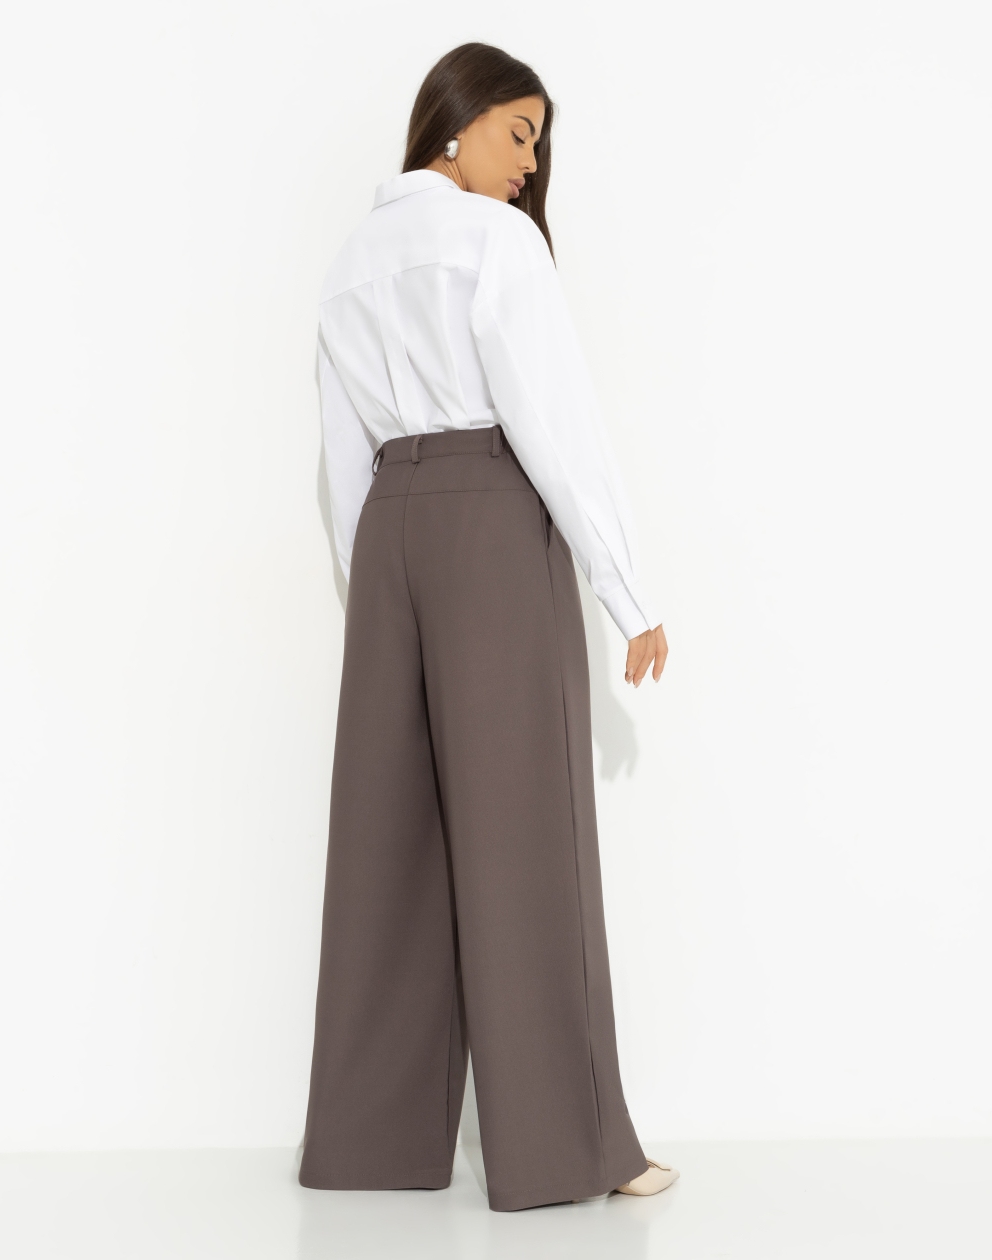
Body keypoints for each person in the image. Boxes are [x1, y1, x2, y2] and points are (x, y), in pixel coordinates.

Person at [298, 42, 677, 1212]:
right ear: (452, 124)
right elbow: (549, 419)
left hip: (392, 529)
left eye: (539, 144)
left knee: (389, 847)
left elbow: (341, 457)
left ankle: (370, 1147)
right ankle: (571, 1151)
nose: (529, 164)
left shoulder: (351, 262)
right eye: (519, 133)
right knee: (529, 834)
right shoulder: (495, 242)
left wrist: (379, 591)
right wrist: (626, 587)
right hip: (490, 517)